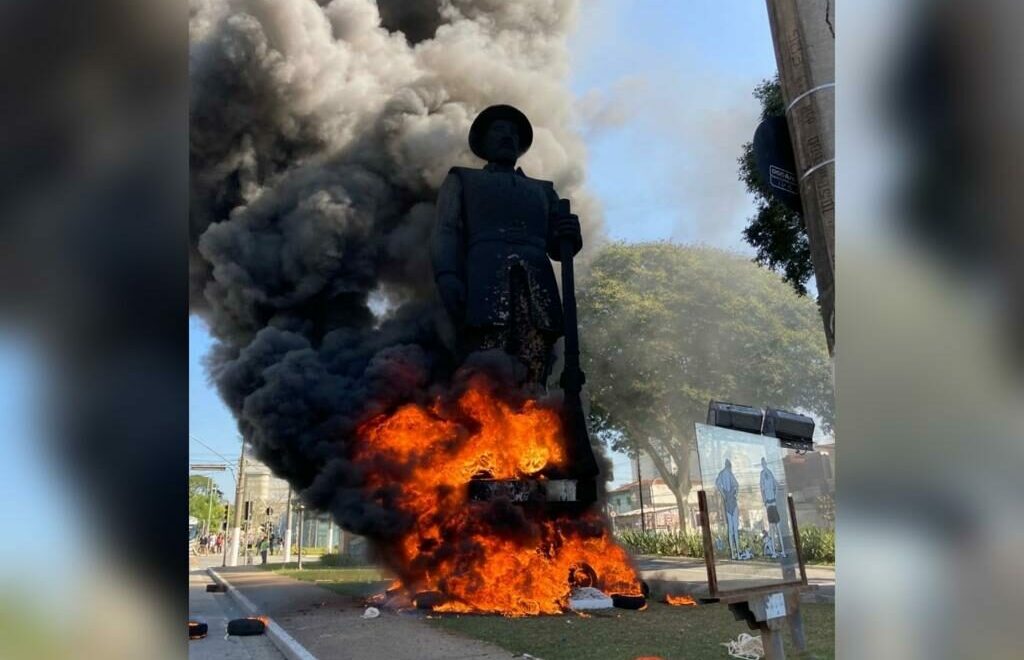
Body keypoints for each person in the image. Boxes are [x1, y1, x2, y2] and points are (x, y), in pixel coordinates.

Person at [432, 104, 583, 386]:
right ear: (484, 141)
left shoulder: (543, 190)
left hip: (537, 284)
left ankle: (532, 414)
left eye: (513, 133)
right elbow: (446, 231)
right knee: (486, 361)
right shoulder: (463, 179)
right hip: (485, 281)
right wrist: (447, 274)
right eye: (499, 130)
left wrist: (570, 234)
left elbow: (557, 247)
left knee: (536, 363)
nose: (508, 137)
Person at [760, 457, 786, 558]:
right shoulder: (762, 474)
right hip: (769, 504)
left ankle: (782, 550)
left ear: (766, 463)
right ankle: (774, 552)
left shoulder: (769, 473)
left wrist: (775, 495)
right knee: (771, 527)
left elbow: (776, 484)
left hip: (773, 503)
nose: (764, 465)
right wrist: (765, 501)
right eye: (762, 463)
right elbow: (762, 489)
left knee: (777, 527)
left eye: (764, 463)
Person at [715, 459, 741, 559]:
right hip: (731, 501)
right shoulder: (728, 473)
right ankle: (737, 552)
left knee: (731, 529)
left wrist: (723, 494)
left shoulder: (721, 474)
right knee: (734, 529)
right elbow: (737, 485)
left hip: (727, 500)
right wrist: (735, 494)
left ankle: (734, 554)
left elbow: (717, 484)